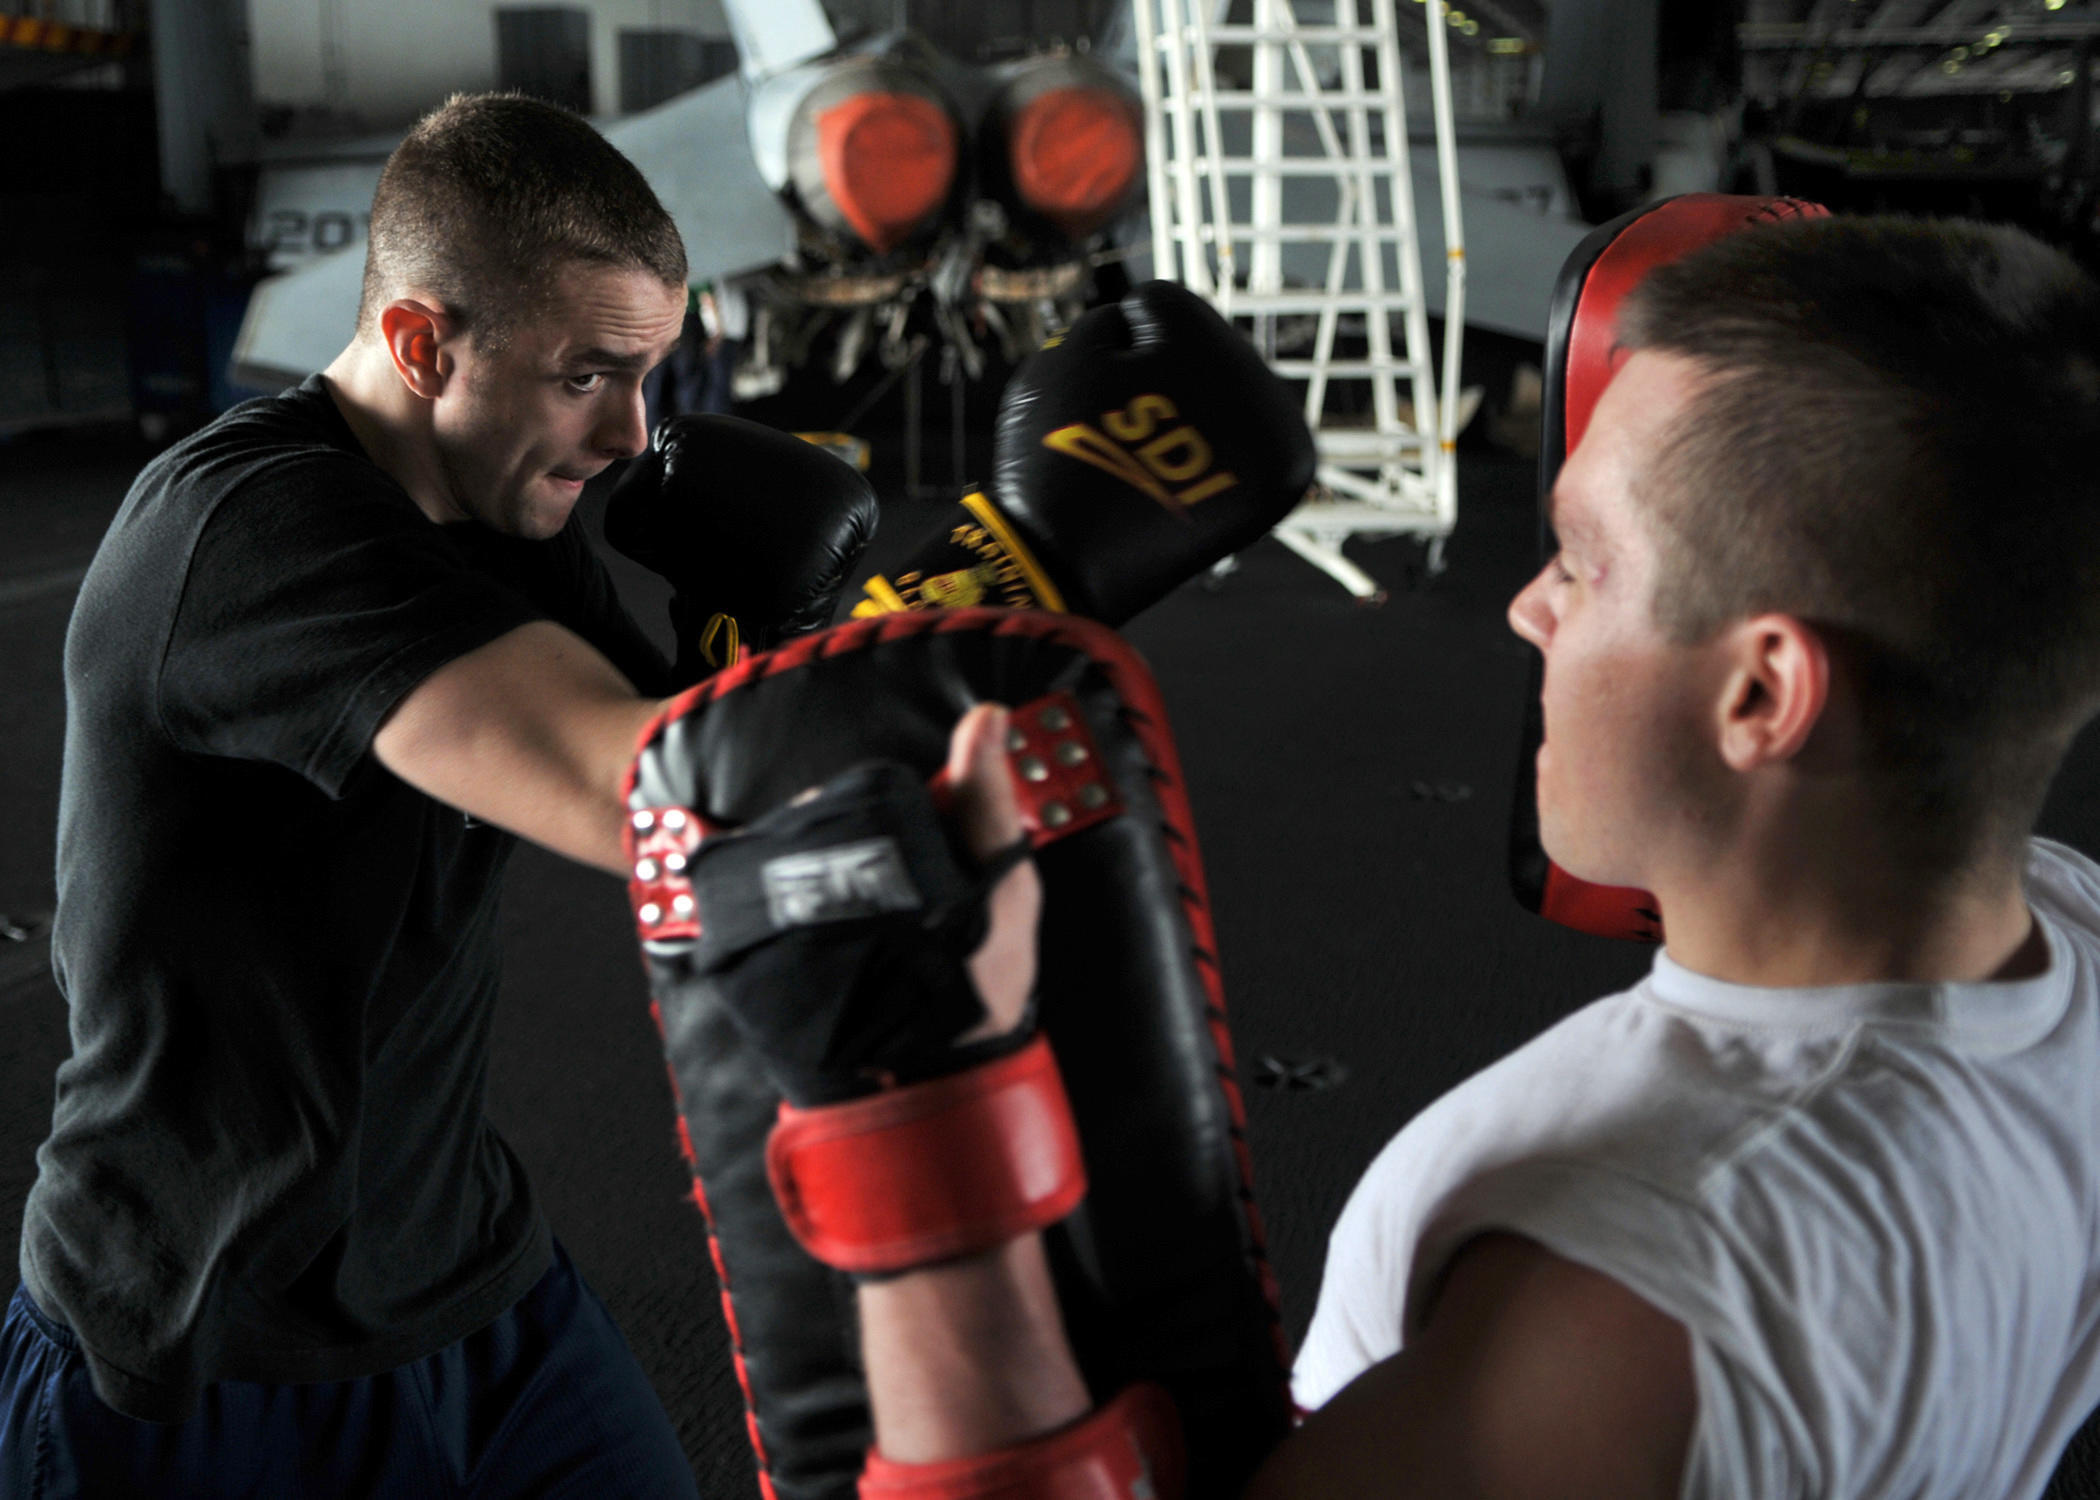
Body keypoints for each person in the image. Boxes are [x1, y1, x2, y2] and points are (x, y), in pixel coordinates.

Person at [697, 214, 2100, 1498]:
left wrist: (918, 1109)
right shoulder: (2065, 939)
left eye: (1584, 563)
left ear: (1760, 696)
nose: (1528, 607)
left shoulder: (1605, 1301)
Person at [0, 90, 867, 1497]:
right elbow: (639, 793)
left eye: (651, 373)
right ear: (420, 342)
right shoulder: (251, 534)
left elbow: (699, 764)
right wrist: (1012, 569)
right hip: (206, 1347)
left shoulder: (505, 516)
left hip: (473, 1287)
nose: (632, 432)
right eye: (589, 373)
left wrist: (758, 643)